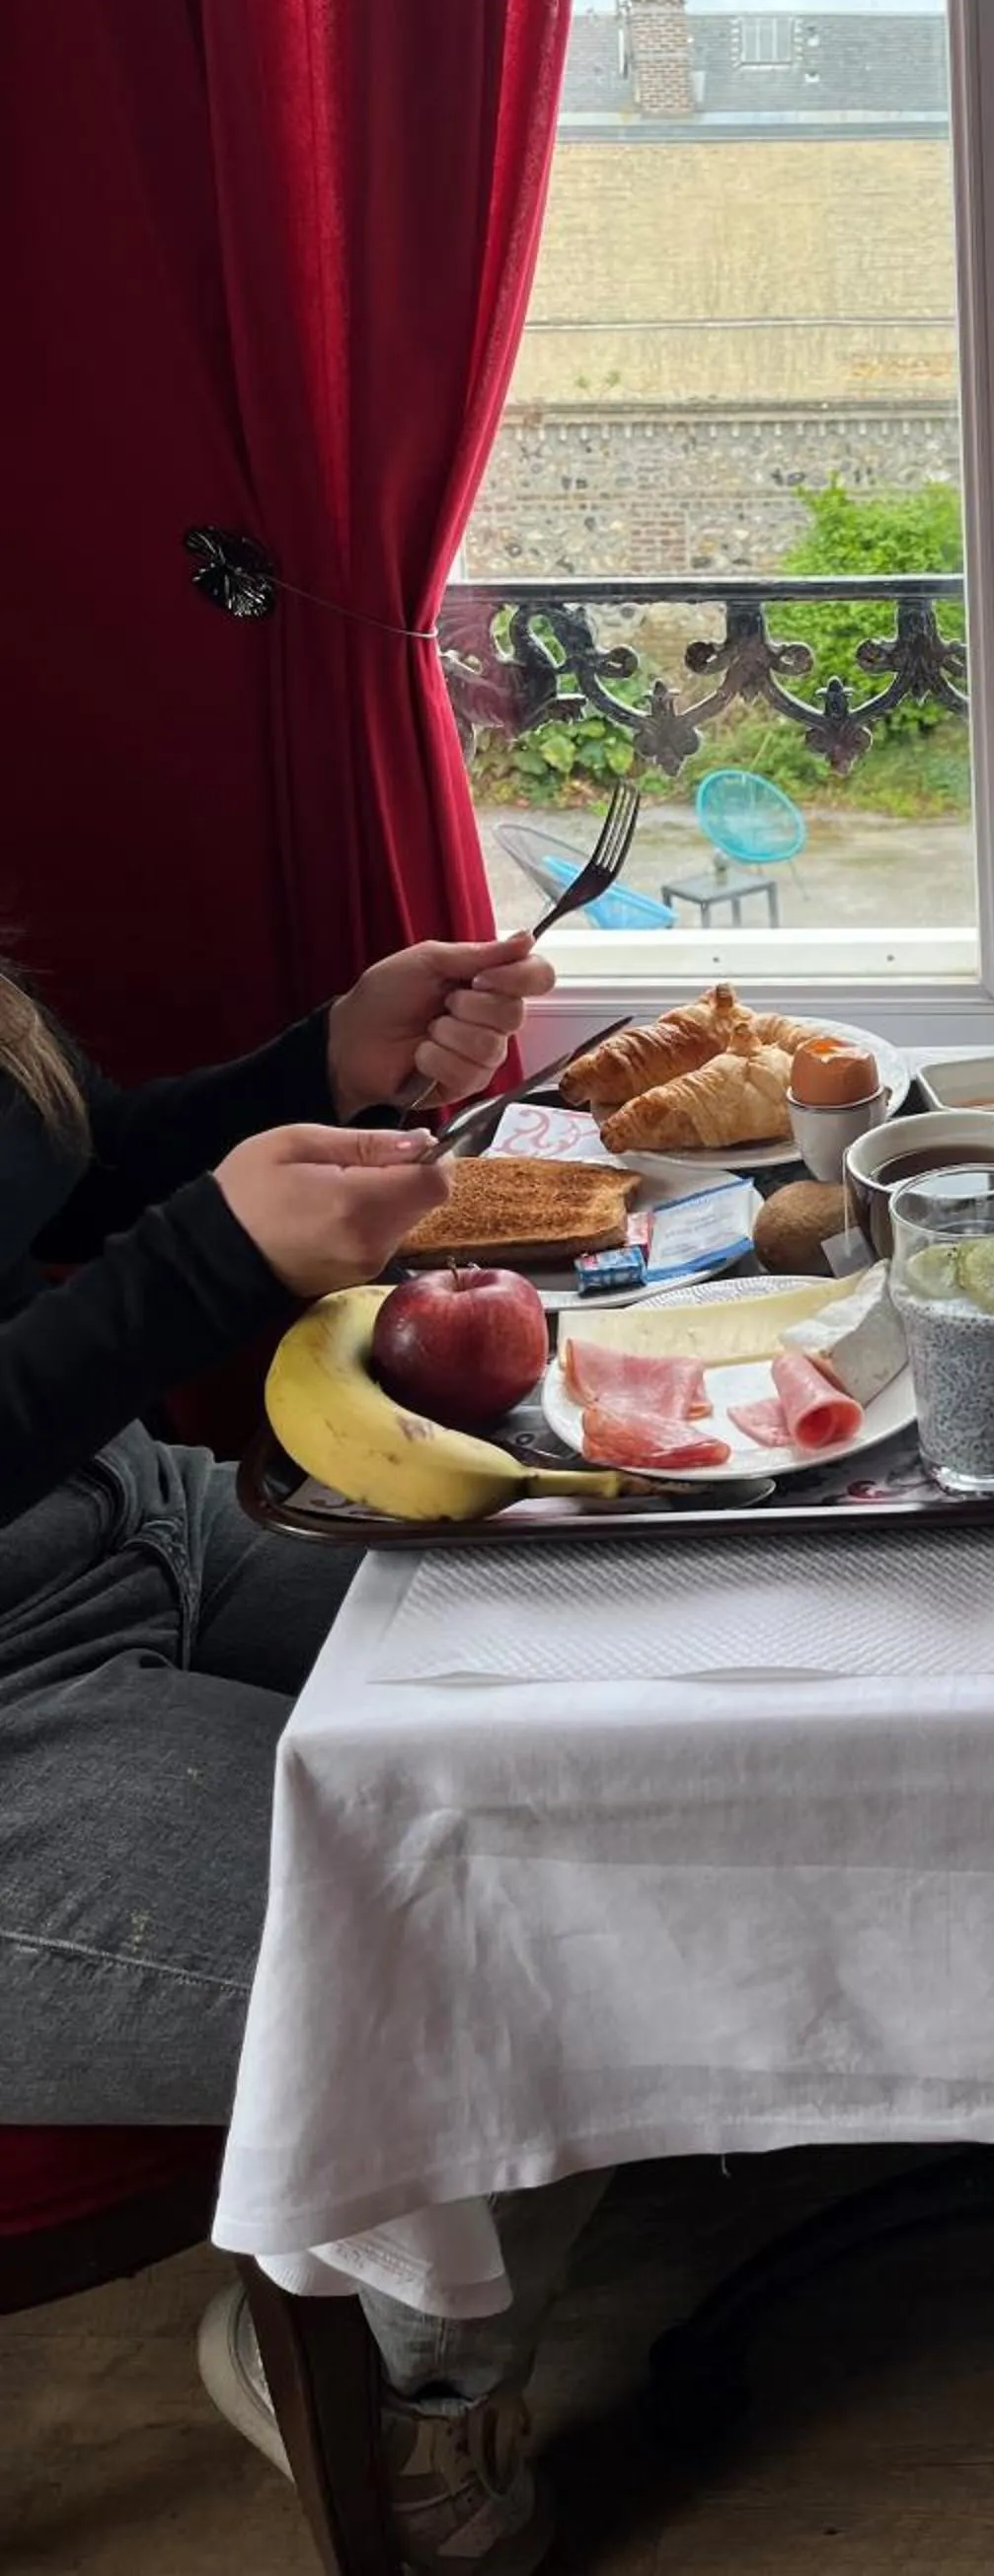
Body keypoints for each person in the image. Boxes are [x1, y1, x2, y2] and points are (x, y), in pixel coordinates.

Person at [0, 932, 601, 2576]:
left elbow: (56, 1173)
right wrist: (199, 1268)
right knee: (523, 1962)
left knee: (617, 1744)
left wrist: (320, 1063)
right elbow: (141, 1260)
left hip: (123, 1513)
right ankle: (403, 2393)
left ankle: (385, 2252)